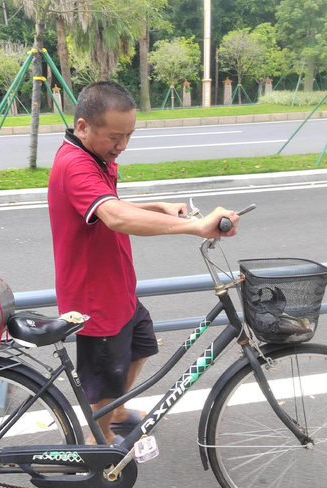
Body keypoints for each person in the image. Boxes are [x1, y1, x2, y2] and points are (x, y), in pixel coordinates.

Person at [48, 81, 239, 445]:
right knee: (107, 376)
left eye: (129, 135)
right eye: (114, 136)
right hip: (95, 299)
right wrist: (195, 226)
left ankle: (117, 411)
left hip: (116, 287)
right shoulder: (75, 164)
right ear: (83, 126)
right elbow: (115, 216)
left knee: (141, 345)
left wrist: (159, 207)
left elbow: (110, 203)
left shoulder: (95, 156)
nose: (122, 146)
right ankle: (101, 445)